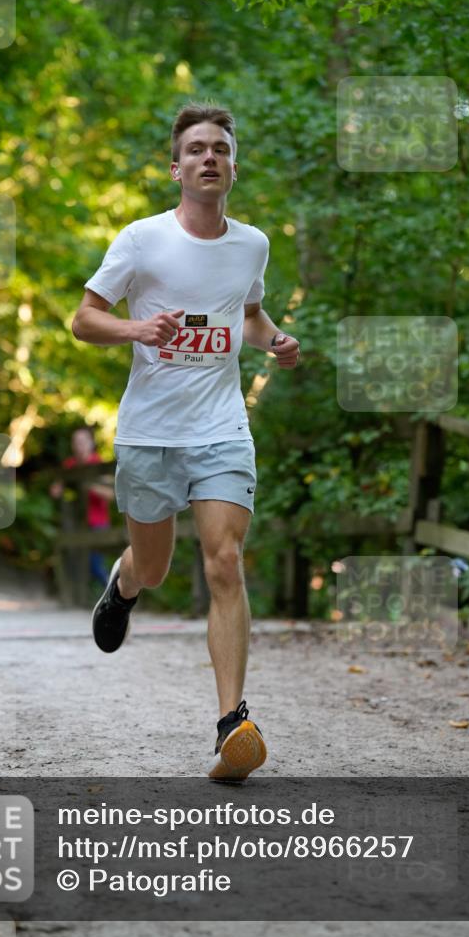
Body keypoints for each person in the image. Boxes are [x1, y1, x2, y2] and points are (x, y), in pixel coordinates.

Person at [71, 102, 299, 780]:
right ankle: (125, 582)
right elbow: (84, 320)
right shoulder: (141, 240)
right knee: (157, 567)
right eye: (196, 148)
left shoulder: (251, 244)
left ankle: (233, 723)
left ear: (231, 166)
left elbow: (248, 315)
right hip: (150, 433)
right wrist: (137, 331)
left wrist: (274, 340)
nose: (208, 157)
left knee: (224, 561)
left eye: (220, 149)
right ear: (175, 167)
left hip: (220, 428)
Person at [50, 426, 113, 591]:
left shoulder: (99, 464)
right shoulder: (69, 465)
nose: (79, 445)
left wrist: (89, 486)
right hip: (75, 524)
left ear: (91, 443)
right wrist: (58, 490)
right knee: (74, 563)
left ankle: (113, 593)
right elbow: (57, 488)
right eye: (76, 442)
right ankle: (78, 598)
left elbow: (111, 495)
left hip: (98, 522)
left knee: (95, 565)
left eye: (83, 441)